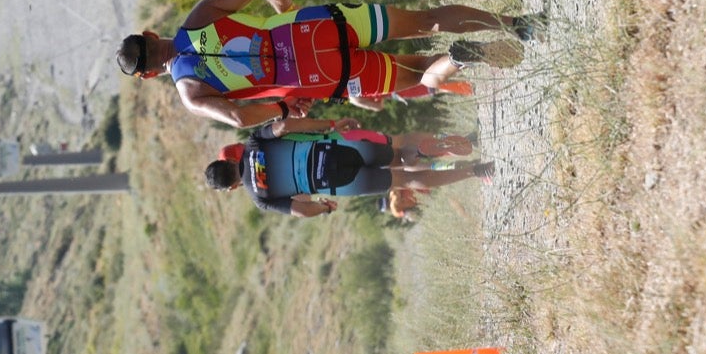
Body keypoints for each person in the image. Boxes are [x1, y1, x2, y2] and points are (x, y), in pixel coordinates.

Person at [117, 0, 540, 128]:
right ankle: (515, 24)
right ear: (152, 35)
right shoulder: (199, 16)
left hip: (319, 78)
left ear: (149, 74)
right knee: (423, 21)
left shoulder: (190, 93)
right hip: (313, 27)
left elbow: (238, 116)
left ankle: (454, 59)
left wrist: (283, 109)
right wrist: (286, 11)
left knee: (415, 78)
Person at [204, 117, 492, 217]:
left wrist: (324, 207)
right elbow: (285, 126)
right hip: (337, 148)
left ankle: (474, 171)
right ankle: (419, 150)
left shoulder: (261, 199)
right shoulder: (254, 142)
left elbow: (303, 210)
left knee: (407, 181)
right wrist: (330, 125)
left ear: (232, 187)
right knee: (399, 150)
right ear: (228, 159)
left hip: (337, 181)